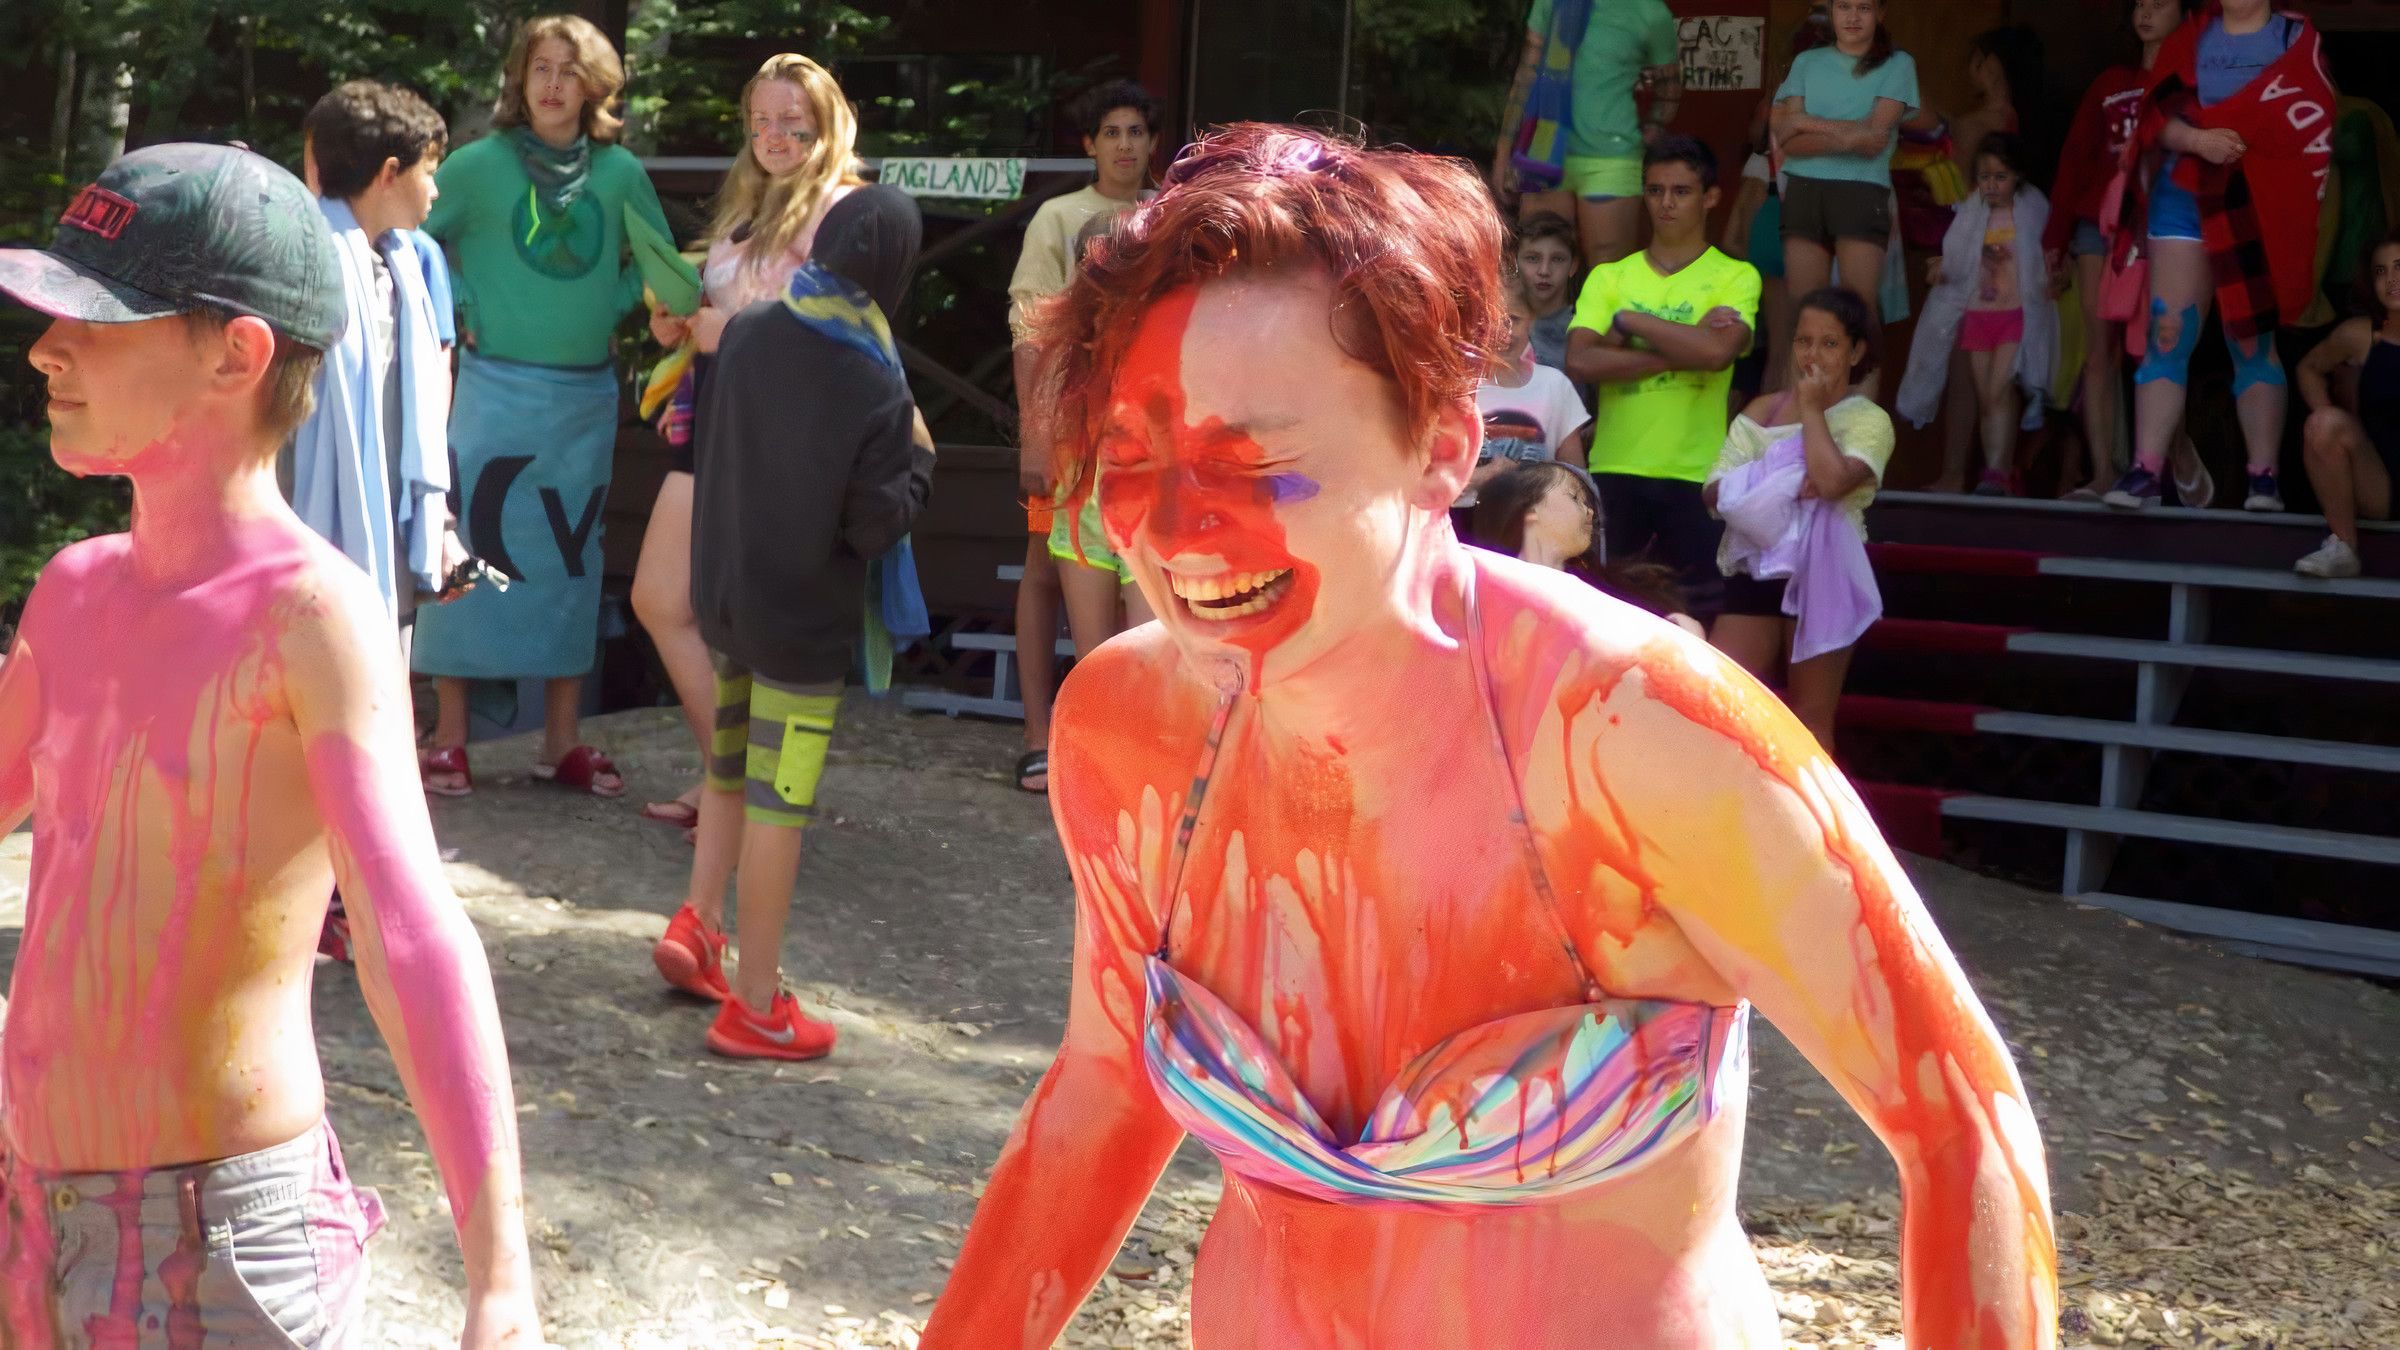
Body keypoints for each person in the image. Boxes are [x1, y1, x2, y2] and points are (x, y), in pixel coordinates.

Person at [918, 123, 2056, 1349]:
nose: (1180, 531)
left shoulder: (1635, 733)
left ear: (1445, 446)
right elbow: (1102, 1091)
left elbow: (1961, 1121)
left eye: (1253, 459)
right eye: (1136, 458)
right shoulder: (1128, 729)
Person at [0, 142, 539, 1344]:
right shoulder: (71, 596)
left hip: (219, 1252)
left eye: (99, 321)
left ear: (236, 353)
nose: (47, 348)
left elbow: (409, 933)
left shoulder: (313, 618)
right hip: (29, 1213)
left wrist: (499, 1271)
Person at [647, 186, 933, 1058]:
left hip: (729, 598)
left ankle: (701, 928)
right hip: (802, 630)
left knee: (728, 773)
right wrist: (920, 456)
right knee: (781, 804)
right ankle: (760, 1004)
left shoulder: (750, 332)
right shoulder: (874, 379)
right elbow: (875, 524)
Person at [413, 13, 675, 798]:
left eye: (569, 70)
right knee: (470, 552)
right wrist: (459, 300)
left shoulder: (621, 172)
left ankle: (560, 741)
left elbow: (662, 262)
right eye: (540, 69)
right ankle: (450, 739)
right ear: (520, 83)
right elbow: (411, 240)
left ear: (593, 86)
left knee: (570, 561)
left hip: (582, 398)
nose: (554, 84)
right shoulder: (478, 166)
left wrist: (616, 301)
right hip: (490, 392)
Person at [636, 53, 863, 832]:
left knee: (739, 622)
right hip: (713, 419)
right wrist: (682, 315)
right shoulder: (748, 205)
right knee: (662, 599)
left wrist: (724, 328)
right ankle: (726, 778)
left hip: (779, 439)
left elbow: (837, 331)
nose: (773, 133)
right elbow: (732, 302)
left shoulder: (841, 209)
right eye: (760, 119)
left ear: (824, 124)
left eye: (790, 119)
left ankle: (736, 794)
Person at [2104, 0, 2335, 513]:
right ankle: (2146, 469)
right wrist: (2198, 139)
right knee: (2168, 332)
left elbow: (2314, 129)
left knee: (2252, 342)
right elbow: (2155, 117)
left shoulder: (2295, 42)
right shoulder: (2191, 35)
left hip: (2255, 203)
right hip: (2181, 196)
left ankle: (2264, 479)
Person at [1009, 79, 1162, 793]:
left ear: (1152, 141)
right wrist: (1034, 440)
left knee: (1131, 609)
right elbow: (1032, 338)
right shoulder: (1057, 217)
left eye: (1137, 131)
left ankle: (1125, 758)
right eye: (1113, 132)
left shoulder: (1168, 216)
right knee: (1047, 569)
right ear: (1090, 144)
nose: (1125, 144)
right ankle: (1043, 737)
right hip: (1071, 443)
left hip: (1139, 453)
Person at [286, 79, 474, 651]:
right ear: (391, 173)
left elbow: (423, 407)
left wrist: (438, 524)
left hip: (386, 528)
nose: (437, 190)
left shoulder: (408, 266)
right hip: (298, 528)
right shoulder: (296, 260)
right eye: (430, 170)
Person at [1566, 135, 1761, 622]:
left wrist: (1632, 324)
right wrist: (1683, 346)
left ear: (1711, 197)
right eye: (1655, 191)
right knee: (1610, 619)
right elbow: (1581, 361)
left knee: (1694, 621)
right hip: (1614, 469)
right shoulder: (1609, 276)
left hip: (1696, 476)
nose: (1666, 203)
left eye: (1681, 191)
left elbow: (1718, 353)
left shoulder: (1736, 276)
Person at [1709, 287, 1895, 751]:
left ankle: (1817, 827)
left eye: (1829, 343)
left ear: (1856, 352)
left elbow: (1832, 482)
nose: (1813, 354)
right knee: (1720, 707)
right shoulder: (1760, 409)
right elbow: (1713, 490)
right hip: (1754, 568)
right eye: (1803, 341)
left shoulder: (1868, 420)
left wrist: (1811, 409)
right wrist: (1782, 478)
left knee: (1810, 722)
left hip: (1823, 573)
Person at [2045, 0, 2197, 501]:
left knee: (2158, 346)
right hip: (2100, 225)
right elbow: (2074, 159)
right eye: (2140, 4)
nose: (2146, 12)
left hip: (2166, 228)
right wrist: (2055, 238)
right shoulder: (2111, 81)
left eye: (2161, 4)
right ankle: (2105, 476)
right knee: (2099, 352)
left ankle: (2156, 468)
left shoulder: (2194, 79)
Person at [1900, 133, 2060, 497]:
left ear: (2017, 176)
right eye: (1985, 176)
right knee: (1986, 396)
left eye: (2000, 176)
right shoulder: (1972, 210)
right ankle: (1997, 473)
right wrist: (1943, 269)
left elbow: (2046, 257)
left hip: (2014, 315)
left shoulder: (2033, 208)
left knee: (1999, 389)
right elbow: (1957, 258)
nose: (1991, 184)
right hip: (1978, 315)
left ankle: (1997, 472)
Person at [1494, 0, 1682, 268]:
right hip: (1544, 153)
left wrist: (1650, 134)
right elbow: (1527, 74)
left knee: (1607, 278)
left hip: (1613, 161)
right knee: (1539, 271)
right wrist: (1504, 152)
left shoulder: (1648, 10)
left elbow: (1670, 87)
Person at [1771, 0, 1918, 329]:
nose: (1852, 17)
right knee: (1803, 311)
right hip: (1803, 190)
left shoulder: (1898, 64)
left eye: (1864, 8)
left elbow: (1874, 139)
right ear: (1832, 11)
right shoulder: (1806, 62)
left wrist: (1808, 122)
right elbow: (1787, 139)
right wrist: (1849, 135)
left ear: (1881, 13)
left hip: (1862, 191)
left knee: (1858, 312)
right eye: (1844, 6)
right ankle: (1806, 384)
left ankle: (1860, 382)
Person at [1470, 459, 1706, 636]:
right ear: (1530, 511)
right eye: (1575, 498)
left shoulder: (1596, 588)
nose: (1589, 511)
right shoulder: (1485, 587)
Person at [2291, 230, 2400, 577]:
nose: (2391, 280)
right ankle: (2343, 547)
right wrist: (2329, 410)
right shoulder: (2360, 334)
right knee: (2323, 426)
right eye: (2380, 271)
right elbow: (2308, 368)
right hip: (2382, 484)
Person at [1473, 275, 1591, 494]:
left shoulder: (1555, 386)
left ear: (1532, 320)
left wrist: (1523, 477)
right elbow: (1435, 478)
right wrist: (1489, 474)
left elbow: (1577, 479)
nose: (1504, 331)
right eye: (1493, 319)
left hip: (1533, 522)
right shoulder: (1460, 388)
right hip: (1464, 521)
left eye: (1514, 319)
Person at [1513, 210, 1581, 375]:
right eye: (1533, 258)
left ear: (1573, 265)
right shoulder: (1498, 328)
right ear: (1515, 261)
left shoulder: (1582, 332)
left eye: (1557, 259)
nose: (1544, 271)